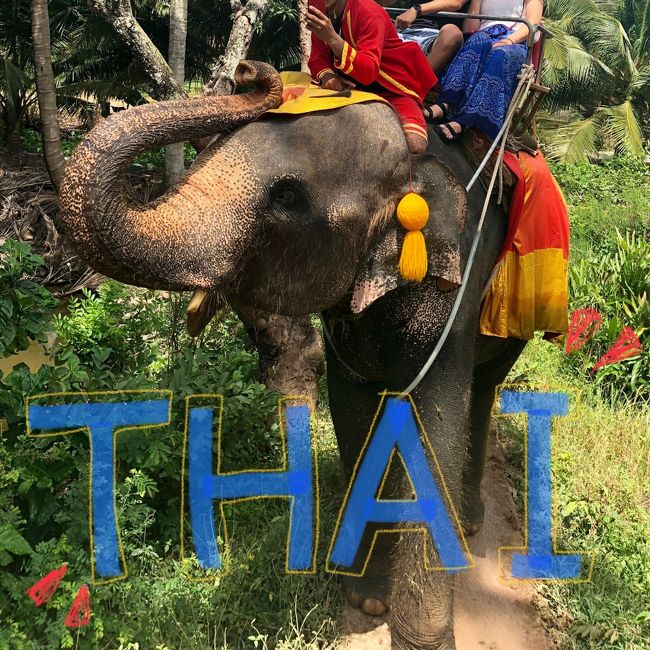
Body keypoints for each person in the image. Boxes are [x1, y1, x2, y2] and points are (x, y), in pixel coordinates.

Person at [306, 0, 437, 154]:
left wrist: (332, 38)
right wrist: (327, 75)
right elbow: (317, 57)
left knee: (415, 145)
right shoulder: (317, 6)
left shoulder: (369, 12)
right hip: (351, 87)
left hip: (393, 87)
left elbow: (368, 72)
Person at [426, 0, 543, 142]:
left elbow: (531, 26)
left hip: (515, 42)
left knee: (499, 54)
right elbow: (471, 28)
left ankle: (466, 120)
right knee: (478, 41)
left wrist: (508, 41)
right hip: (485, 35)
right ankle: (446, 103)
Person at [389, 0, 467, 76]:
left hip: (436, 38)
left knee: (452, 32)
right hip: (404, 31)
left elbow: (455, 3)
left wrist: (417, 9)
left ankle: (416, 82)